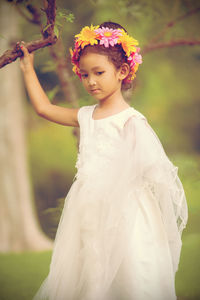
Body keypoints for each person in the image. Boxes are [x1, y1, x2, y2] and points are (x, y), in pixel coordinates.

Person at [19, 21, 188, 300]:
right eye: (84, 75)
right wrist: (27, 69)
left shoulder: (132, 122)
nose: (91, 81)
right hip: (88, 211)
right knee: (92, 277)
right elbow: (44, 108)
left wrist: (116, 188)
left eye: (99, 73)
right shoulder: (85, 116)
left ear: (122, 71)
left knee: (130, 274)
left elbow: (153, 170)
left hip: (126, 214)